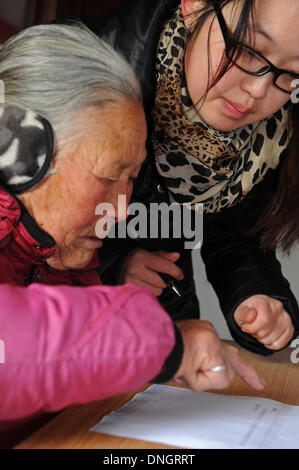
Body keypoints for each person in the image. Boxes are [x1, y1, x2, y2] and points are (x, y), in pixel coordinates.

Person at [0, 22, 264, 447]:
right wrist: (164, 346)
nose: (122, 209)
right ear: (17, 150)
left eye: (131, 179)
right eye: (108, 177)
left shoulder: (62, 253)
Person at [83, 0, 299, 355]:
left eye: (291, 75)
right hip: (46, 347)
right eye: (247, 49)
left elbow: (231, 232)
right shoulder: (75, 71)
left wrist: (257, 295)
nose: (258, 91)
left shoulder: (267, 137)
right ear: (195, 4)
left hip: (160, 334)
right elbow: (23, 230)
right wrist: (112, 264)